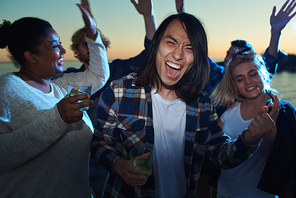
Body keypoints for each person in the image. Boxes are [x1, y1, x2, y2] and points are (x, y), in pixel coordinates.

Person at [91, 12, 278, 198]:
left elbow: (221, 155)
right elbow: (99, 143)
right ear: (156, 45)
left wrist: (249, 139)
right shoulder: (119, 92)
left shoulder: (202, 104)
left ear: (197, 58)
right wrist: (119, 165)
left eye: (189, 48)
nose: (178, 54)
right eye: (171, 42)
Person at [0, 1, 109, 197]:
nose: (63, 50)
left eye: (60, 42)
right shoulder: (6, 89)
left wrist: (93, 34)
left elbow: (98, 76)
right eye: (54, 45)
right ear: (31, 56)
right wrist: (57, 118)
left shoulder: (59, 85)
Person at [210, 51, 296, 197]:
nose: (248, 81)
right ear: (234, 85)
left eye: (253, 74)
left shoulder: (284, 112)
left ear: (263, 73)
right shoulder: (227, 112)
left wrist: (271, 130)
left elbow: (281, 166)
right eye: (240, 79)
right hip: (225, 191)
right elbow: (215, 152)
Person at [175, 0, 294, 96]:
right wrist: (181, 13)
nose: (227, 58)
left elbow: (270, 59)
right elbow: (197, 50)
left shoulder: (253, 79)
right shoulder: (216, 73)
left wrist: (275, 32)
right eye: (228, 54)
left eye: (234, 55)